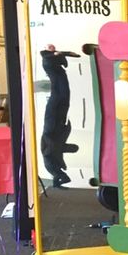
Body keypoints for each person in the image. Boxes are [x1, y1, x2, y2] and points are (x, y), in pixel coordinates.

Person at [39, 44, 81, 187]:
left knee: (59, 95)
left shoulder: (47, 57)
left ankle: (58, 181)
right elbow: (57, 145)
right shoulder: (49, 58)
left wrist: (65, 54)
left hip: (53, 121)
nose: (52, 48)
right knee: (62, 95)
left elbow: (49, 142)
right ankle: (59, 181)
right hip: (58, 120)